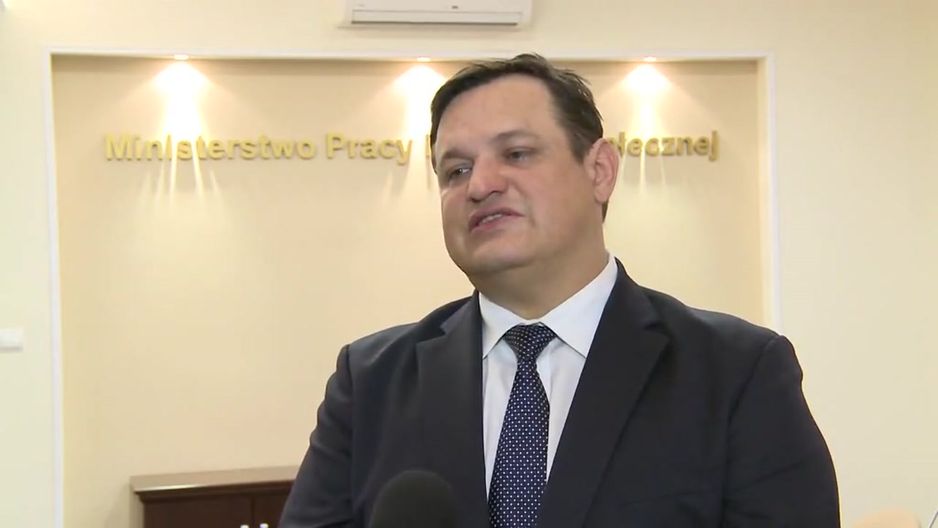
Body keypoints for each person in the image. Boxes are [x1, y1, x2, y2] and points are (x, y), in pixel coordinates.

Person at [280, 53, 839, 527]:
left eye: (517, 154)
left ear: (599, 171)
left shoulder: (737, 372)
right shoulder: (371, 381)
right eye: (456, 171)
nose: (481, 185)